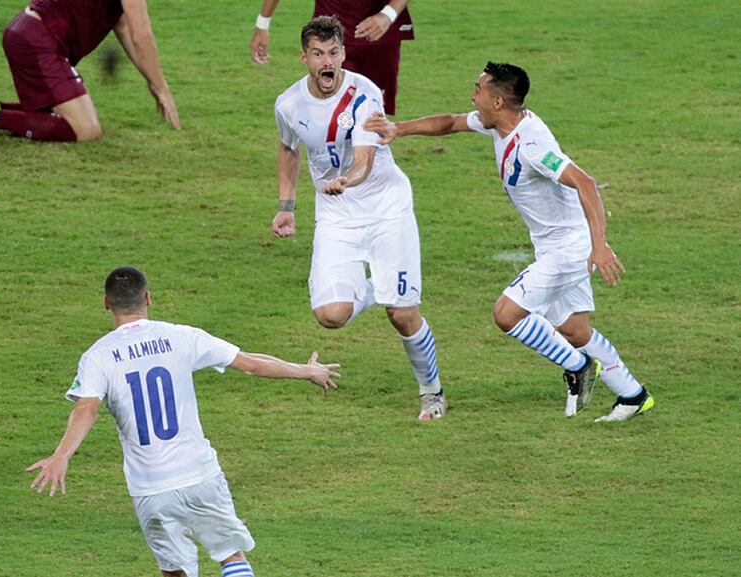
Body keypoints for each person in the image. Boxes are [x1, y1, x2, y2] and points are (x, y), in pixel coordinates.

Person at [364, 62, 655, 422]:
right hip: (553, 244)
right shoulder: (499, 124)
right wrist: (399, 129)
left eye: (478, 89)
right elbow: (452, 122)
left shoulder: (532, 144)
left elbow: (586, 183)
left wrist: (600, 245)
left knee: (506, 313)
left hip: (569, 246)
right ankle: (633, 395)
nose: (472, 95)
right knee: (575, 329)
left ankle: (577, 367)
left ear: (498, 101)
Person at [26, 266, 339, 577]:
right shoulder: (180, 336)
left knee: (175, 572)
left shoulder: (97, 356)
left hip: (150, 488)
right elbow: (252, 364)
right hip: (199, 474)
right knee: (230, 555)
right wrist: (306, 370)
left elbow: (87, 408)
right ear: (148, 298)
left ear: (107, 303)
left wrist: (62, 455)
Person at [271, 16, 446, 421]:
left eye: (333, 52)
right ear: (304, 58)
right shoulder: (289, 104)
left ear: (344, 54)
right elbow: (288, 149)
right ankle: (382, 285)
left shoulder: (363, 93)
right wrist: (286, 206)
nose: (327, 61)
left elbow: (365, 160)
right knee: (330, 315)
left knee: (402, 314)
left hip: (386, 207)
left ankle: (432, 393)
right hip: (337, 216)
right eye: (318, 54)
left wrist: (345, 180)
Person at [0, 0, 179, 142]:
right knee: (85, 129)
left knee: (65, 117)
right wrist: (162, 88)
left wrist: (152, 81)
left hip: (29, 32)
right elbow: (141, 36)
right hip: (38, 40)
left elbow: (123, 26)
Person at [250, 0, 413, 115]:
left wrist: (387, 15)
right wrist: (262, 24)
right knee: (328, 113)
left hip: (379, 38)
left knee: (373, 117)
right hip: (328, 41)